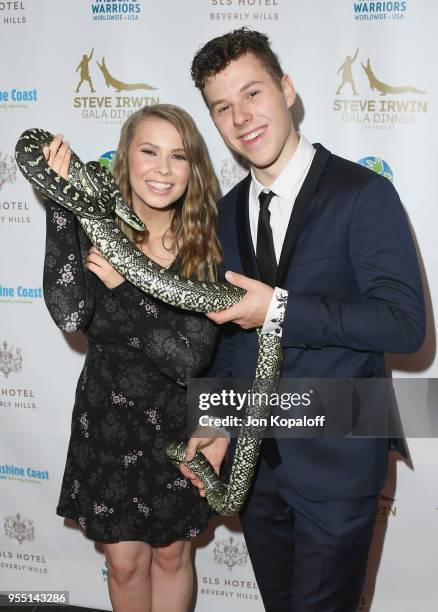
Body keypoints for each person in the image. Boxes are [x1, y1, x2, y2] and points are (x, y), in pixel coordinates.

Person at [180, 28, 425, 611]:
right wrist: (216, 422)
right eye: (222, 106)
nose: (241, 117)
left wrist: (281, 309)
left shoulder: (363, 194)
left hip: (339, 458)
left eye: (253, 93)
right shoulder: (226, 211)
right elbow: (232, 338)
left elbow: (403, 325)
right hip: (258, 465)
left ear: (287, 90)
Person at [42, 104, 223, 612]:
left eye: (178, 156)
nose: (163, 170)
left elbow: (190, 359)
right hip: (108, 421)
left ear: (193, 169)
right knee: (123, 563)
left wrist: (128, 284)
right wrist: (62, 205)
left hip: (180, 424)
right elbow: (68, 313)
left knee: (170, 556)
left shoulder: (202, 247)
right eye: (149, 152)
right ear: (125, 156)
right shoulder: (96, 227)